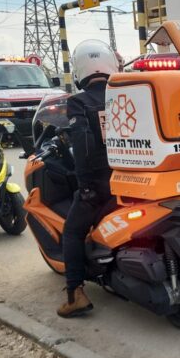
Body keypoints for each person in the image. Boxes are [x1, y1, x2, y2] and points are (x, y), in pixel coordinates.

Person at [57, 39, 119, 318]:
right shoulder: (127, 95)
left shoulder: (79, 102)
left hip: (100, 185)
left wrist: (84, 187)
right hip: (135, 181)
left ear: (80, 70)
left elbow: (81, 146)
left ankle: (76, 294)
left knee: (71, 231)